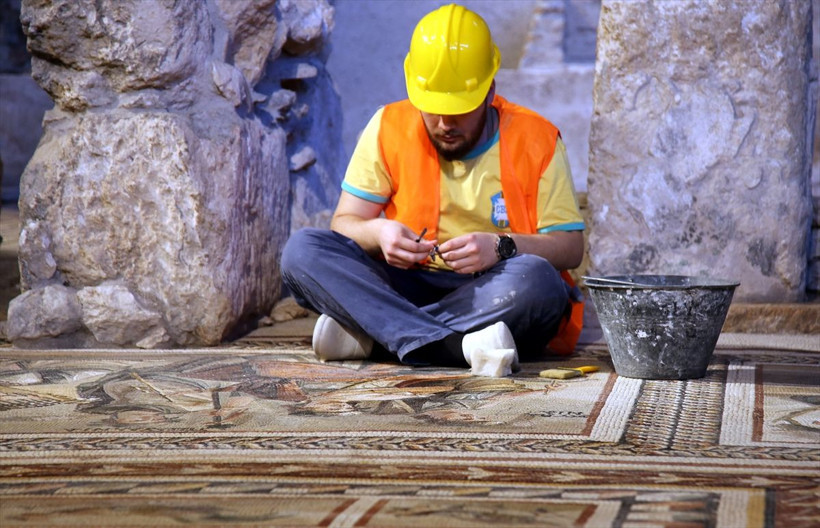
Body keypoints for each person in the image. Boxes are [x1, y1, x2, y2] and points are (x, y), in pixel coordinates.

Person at [281, 3, 585, 377]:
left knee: (538, 282)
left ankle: (376, 337)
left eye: (459, 109)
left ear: (490, 91)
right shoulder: (388, 125)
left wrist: (500, 246)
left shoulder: (537, 138)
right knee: (302, 251)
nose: (444, 123)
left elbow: (570, 248)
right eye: (432, 107)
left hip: (493, 290)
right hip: (405, 284)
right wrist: (379, 232)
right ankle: (457, 346)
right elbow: (345, 223)